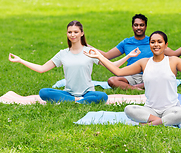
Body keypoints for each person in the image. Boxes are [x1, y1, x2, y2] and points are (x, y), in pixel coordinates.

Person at [84, 31, 181, 126]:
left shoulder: (173, 61)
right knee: (129, 109)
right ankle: (159, 122)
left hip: (172, 108)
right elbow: (118, 71)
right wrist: (98, 56)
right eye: (153, 42)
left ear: (165, 45)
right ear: (150, 45)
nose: (156, 44)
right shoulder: (144, 63)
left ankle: (150, 125)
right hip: (150, 109)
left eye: (159, 42)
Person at [8, 20, 139, 104]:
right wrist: (20, 60)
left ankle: (75, 101)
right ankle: (77, 101)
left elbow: (114, 67)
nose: (72, 35)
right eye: (70, 32)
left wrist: (128, 56)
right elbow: (42, 68)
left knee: (102, 96)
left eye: (76, 32)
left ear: (82, 33)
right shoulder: (62, 54)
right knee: (43, 92)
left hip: (88, 92)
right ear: (67, 34)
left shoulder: (91, 52)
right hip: (68, 92)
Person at [95, 14, 181, 90]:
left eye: (141, 25)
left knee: (163, 79)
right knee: (112, 81)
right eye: (136, 25)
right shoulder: (126, 42)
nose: (139, 27)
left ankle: (133, 89)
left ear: (146, 26)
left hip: (151, 75)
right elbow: (107, 56)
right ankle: (137, 89)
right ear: (132, 26)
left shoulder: (153, 42)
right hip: (131, 76)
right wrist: (85, 45)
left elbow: (175, 54)